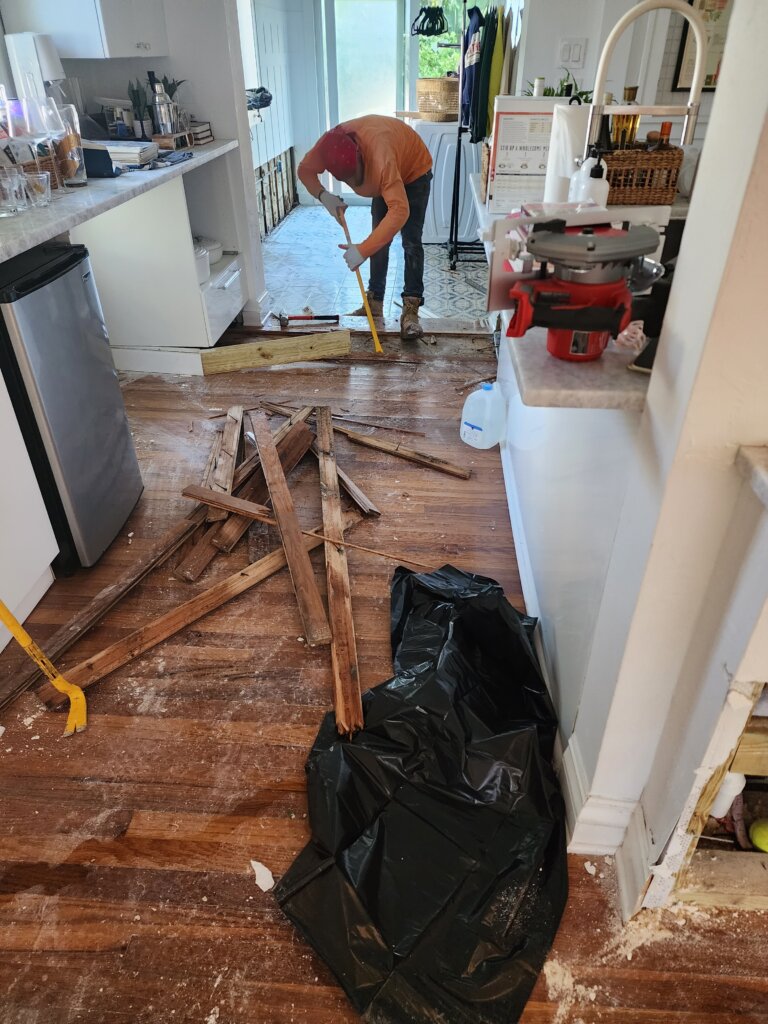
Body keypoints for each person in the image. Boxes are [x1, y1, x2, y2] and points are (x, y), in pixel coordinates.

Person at [297, 115, 433, 340]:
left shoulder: (382, 160)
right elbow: (305, 170)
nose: (354, 182)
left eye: (355, 174)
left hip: (414, 169)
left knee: (411, 240)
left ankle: (411, 309)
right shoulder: (327, 145)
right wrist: (324, 196)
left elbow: (400, 211)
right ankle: (374, 304)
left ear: (360, 154)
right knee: (379, 235)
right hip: (386, 166)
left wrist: (362, 250)